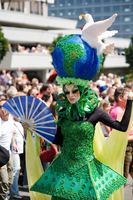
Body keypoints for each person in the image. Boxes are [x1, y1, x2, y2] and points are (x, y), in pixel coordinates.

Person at [29, 19, 133, 199]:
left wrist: (130, 102)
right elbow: (59, 138)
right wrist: (36, 128)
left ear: (82, 90)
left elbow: (121, 127)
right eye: (67, 91)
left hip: (86, 171)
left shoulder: (95, 112)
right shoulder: (64, 113)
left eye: (74, 90)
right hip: (64, 169)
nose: (70, 95)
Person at [110, 87, 133, 183]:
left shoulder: (123, 110)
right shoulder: (118, 111)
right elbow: (121, 136)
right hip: (125, 148)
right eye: (128, 97)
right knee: (122, 180)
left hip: (130, 147)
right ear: (120, 98)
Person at [0, 98, 17, 200]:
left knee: (9, 181)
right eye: (0, 107)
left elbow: (10, 132)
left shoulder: (10, 118)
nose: (3, 109)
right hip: (0, 156)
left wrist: (13, 143)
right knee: (4, 182)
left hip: (8, 154)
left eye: (5, 106)